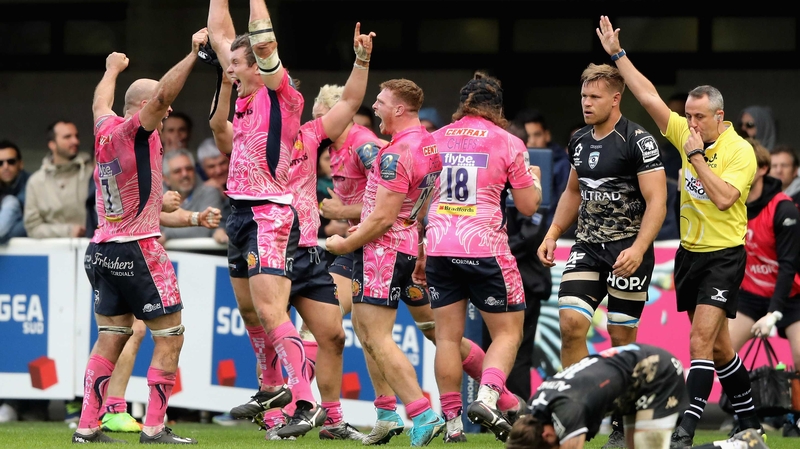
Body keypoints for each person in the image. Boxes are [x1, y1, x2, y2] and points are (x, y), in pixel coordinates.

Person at [596, 16, 762, 448]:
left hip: (724, 255)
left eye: (699, 117)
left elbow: (726, 199)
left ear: (719, 117)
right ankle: (750, 420)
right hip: (691, 255)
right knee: (722, 349)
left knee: (699, 340)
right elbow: (648, 96)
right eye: (687, 116)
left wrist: (697, 158)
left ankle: (685, 432)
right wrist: (617, 54)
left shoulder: (738, 151)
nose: (690, 125)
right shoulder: (686, 132)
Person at [209, 20, 375, 441]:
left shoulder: (311, 133)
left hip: (302, 246)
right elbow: (219, 127)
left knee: (334, 335)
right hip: (272, 236)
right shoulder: (252, 125)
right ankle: (281, 396)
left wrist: (361, 60)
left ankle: (332, 418)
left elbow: (353, 100)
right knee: (262, 313)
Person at [73, 27, 216, 444]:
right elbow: (161, 98)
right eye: (162, 110)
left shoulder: (104, 128)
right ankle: (154, 426)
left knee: (111, 337)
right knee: (171, 336)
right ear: (142, 109)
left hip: (101, 250)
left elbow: (100, 99)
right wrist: (192, 55)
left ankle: (86, 424)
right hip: (137, 251)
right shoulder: (134, 131)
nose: (168, 114)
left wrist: (111, 69)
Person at [207, 0, 324, 438]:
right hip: (239, 210)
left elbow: (263, 40)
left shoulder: (283, 94)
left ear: (258, 63)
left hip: (269, 212)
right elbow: (220, 34)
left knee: (274, 312)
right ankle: (272, 386)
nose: (230, 70)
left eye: (237, 64)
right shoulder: (243, 98)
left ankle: (306, 401)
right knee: (249, 310)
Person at [537, 61, 667, 448]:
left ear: (616, 98)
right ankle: (576, 412)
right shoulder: (578, 139)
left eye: (594, 97)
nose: (586, 103)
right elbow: (574, 192)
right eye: (583, 96)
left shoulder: (638, 141)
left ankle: (621, 420)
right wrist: (554, 232)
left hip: (629, 250)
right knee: (570, 325)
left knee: (621, 341)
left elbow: (657, 201)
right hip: (588, 248)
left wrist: (639, 248)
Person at [324, 78, 448, 446]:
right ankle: (387, 414)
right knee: (366, 331)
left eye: (379, 102)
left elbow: (381, 218)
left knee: (376, 337)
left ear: (398, 109)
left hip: (384, 250)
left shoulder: (395, 153)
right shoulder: (428, 144)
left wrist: (345, 245)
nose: (373, 107)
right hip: (405, 244)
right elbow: (418, 209)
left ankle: (422, 414)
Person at [424, 72, 542, 442]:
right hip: (484, 247)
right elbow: (527, 205)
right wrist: (535, 182)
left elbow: (422, 200)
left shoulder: (435, 139)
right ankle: (489, 397)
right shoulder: (508, 141)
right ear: (498, 107)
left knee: (446, 338)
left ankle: (452, 423)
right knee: (509, 332)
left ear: (463, 104)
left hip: (439, 245)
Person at [504, 344, 768, 449]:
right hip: (632, 373)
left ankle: (740, 445)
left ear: (547, 436)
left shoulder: (568, 411)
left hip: (658, 375)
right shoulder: (539, 404)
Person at [729, 139, 800, 438]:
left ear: (761, 170)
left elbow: (788, 267)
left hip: (792, 297)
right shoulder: (731, 202)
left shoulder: (784, 208)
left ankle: (795, 420)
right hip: (749, 297)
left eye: (745, 165)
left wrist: (774, 313)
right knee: (721, 352)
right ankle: (746, 418)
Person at [23, 120, 92, 238]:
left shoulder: (92, 173)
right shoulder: (36, 182)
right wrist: (68, 231)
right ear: (52, 144)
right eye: (67, 137)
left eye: (76, 136)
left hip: (92, 250)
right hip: (52, 253)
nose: (75, 141)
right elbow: (32, 227)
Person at [513, 109, 570, 229]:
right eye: (527, 136)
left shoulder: (564, 164)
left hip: (551, 233)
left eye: (537, 134)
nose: (532, 141)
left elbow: (565, 205)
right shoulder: (511, 162)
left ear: (547, 135)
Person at [159, 149, 225, 242]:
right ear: (166, 178)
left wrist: (166, 234)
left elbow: (205, 228)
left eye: (189, 169)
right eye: (178, 171)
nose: (185, 174)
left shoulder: (209, 191)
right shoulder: (156, 197)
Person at [196, 137, 231, 244]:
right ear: (202, 168)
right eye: (211, 166)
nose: (218, 170)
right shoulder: (199, 188)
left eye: (222, 163)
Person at [0, 140, 30, 243]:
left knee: (10, 202)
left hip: (30, 247)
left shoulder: (33, 184)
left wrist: (5, 237)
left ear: (20, 164)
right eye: (0, 163)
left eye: (11, 162)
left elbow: (31, 223)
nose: (5, 167)